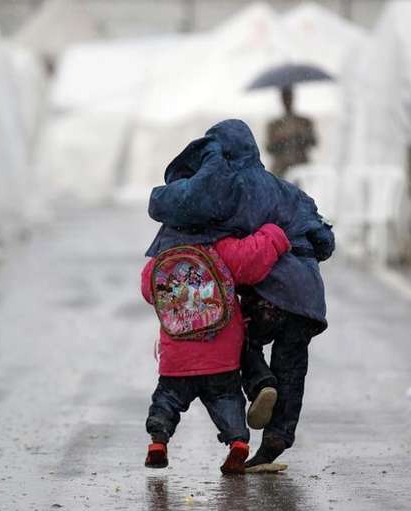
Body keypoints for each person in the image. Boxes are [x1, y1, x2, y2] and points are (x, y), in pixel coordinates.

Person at [146, 119, 335, 468]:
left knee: (240, 337)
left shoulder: (224, 186)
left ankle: (260, 382)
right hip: (307, 298)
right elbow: (323, 237)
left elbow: (178, 208)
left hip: (270, 295)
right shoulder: (281, 188)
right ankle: (277, 438)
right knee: (292, 366)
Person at [141, 222, 291, 474]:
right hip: (221, 358)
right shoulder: (220, 247)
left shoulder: (161, 258)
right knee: (227, 401)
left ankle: (158, 441)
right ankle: (238, 444)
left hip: (176, 360)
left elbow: (148, 290)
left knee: (166, 400)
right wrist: (275, 234)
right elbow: (252, 260)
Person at [266, 86, 317, 178]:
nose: (287, 101)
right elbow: (269, 148)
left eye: (289, 97)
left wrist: (300, 136)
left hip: (301, 167)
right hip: (280, 170)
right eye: (285, 97)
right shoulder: (274, 125)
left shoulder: (304, 122)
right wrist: (280, 140)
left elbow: (313, 142)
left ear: (293, 98)